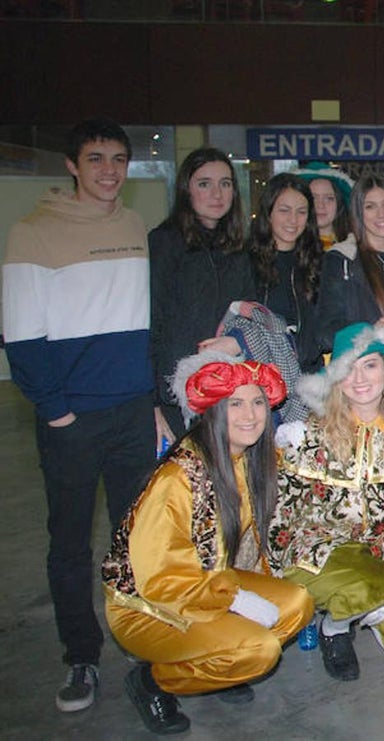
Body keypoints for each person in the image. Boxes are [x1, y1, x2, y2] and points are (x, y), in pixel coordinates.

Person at [3, 117, 160, 712]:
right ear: (72, 165)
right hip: (71, 421)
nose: (108, 170)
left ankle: (140, 643)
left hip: (131, 413)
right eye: (95, 159)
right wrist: (56, 412)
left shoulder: (132, 226)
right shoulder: (32, 233)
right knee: (69, 542)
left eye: (118, 159)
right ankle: (81, 656)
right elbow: (21, 337)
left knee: (135, 539)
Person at [103, 355, 314, 734]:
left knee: (297, 603)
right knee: (258, 650)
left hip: (211, 584)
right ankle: (152, 682)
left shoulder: (249, 458)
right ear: (213, 411)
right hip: (148, 604)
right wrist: (232, 600)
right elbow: (161, 580)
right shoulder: (178, 478)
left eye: (257, 402)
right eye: (235, 403)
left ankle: (220, 661)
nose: (250, 415)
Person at [270, 323, 384, 682]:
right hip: (320, 550)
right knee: (366, 585)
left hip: (382, 557)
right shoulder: (309, 434)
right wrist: (276, 565)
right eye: (348, 368)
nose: (360, 378)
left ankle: (365, 606)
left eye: (370, 365)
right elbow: (283, 511)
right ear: (335, 378)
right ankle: (334, 630)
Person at [150, 147, 257, 437]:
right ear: (186, 190)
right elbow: (153, 322)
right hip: (177, 396)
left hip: (229, 387)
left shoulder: (238, 249)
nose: (217, 194)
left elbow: (250, 317)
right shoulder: (164, 243)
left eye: (225, 184)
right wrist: (152, 403)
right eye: (204, 184)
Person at [316, 175, 384, 352]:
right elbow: (325, 334)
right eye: (370, 206)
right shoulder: (341, 259)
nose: (382, 214)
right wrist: (372, 331)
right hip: (364, 369)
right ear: (358, 212)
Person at [248, 172, 324, 371]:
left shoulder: (319, 263)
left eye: (301, 212)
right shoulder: (245, 262)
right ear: (268, 212)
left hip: (308, 378)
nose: (293, 220)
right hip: (260, 375)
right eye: (284, 210)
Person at [295, 162, 354, 250]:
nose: (320, 205)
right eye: (313, 198)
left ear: (339, 204)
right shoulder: (290, 247)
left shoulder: (355, 248)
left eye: (329, 198)